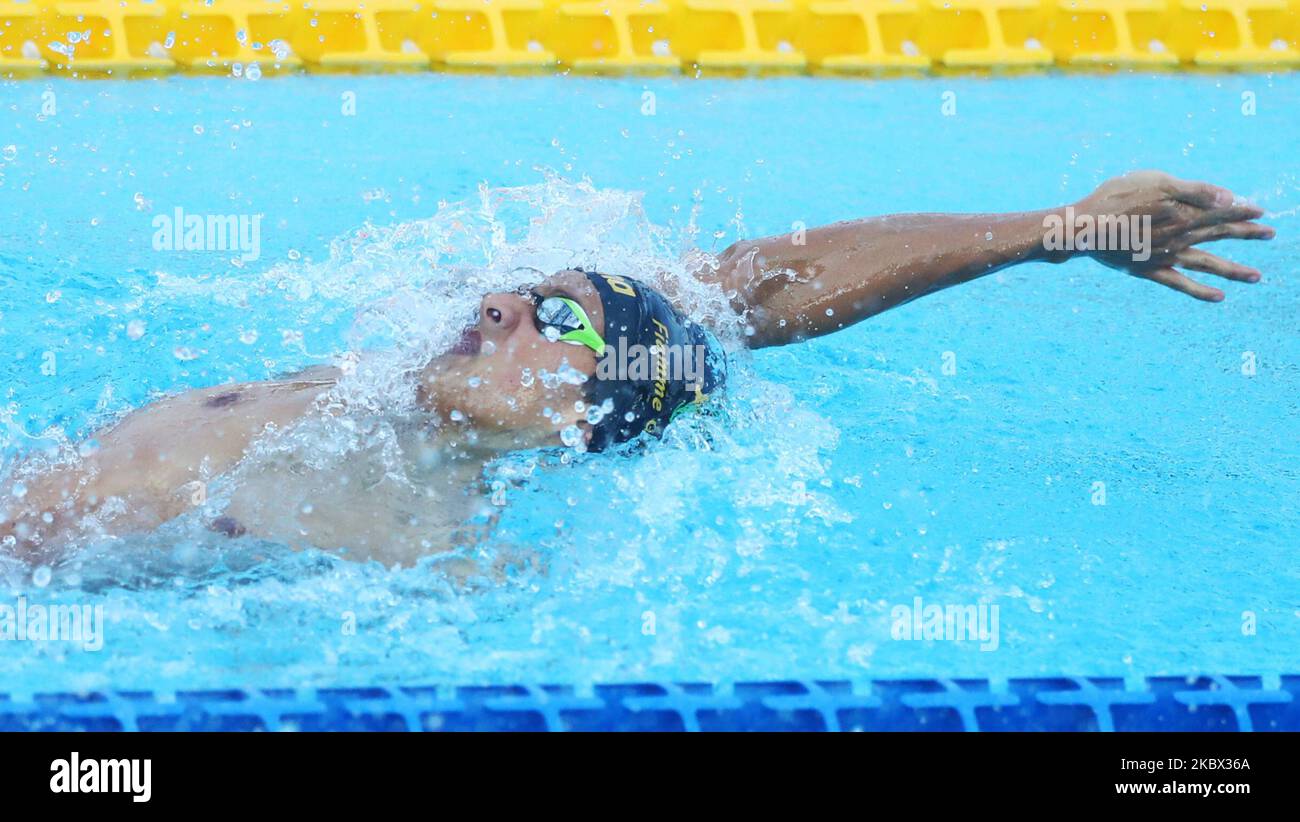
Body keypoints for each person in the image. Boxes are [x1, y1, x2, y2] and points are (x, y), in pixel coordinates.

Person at [0, 171, 1274, 567]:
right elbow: (742, 286)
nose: (499, 300)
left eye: (552, 325)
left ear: (577, 421)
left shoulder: (420, 547)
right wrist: (1046, 232)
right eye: (528, 291)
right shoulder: (373, 384)